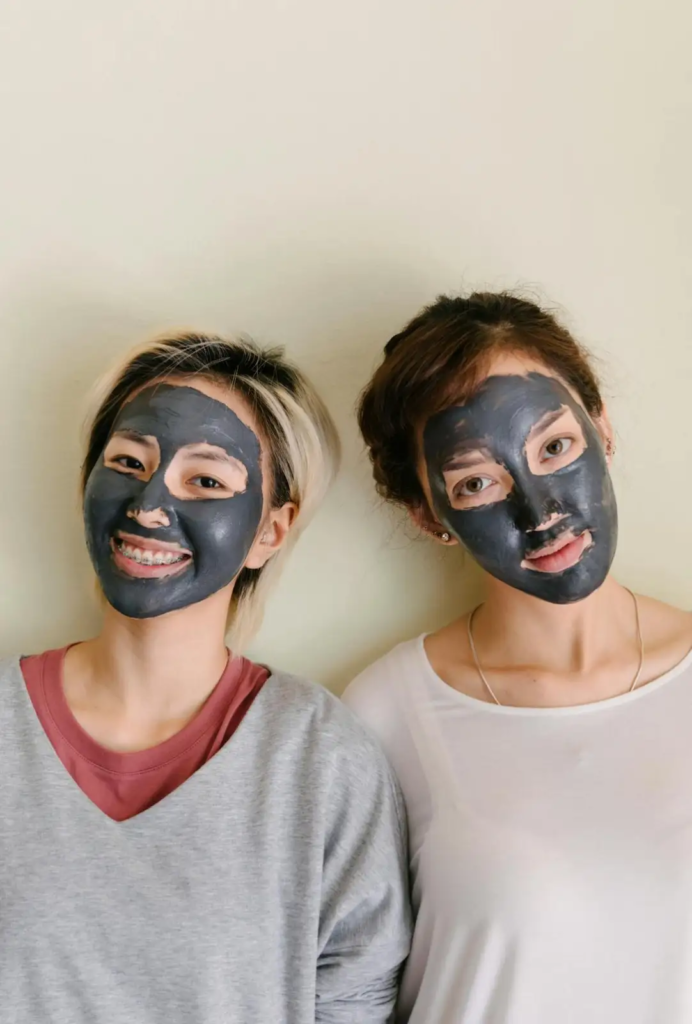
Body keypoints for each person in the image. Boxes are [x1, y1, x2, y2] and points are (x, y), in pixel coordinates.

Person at [1, 331, 410, 1023]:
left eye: (208, 480)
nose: (150, 504)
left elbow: (356, 996)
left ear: (269, 532)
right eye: (128, 462)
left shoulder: (322, 760)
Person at [343, 292, 692, 1024]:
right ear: (429, 515)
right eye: (477, 482)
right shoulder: (383, 715)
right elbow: (343, 991)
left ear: (601, 427)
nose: (542, 513)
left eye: (555, 448)